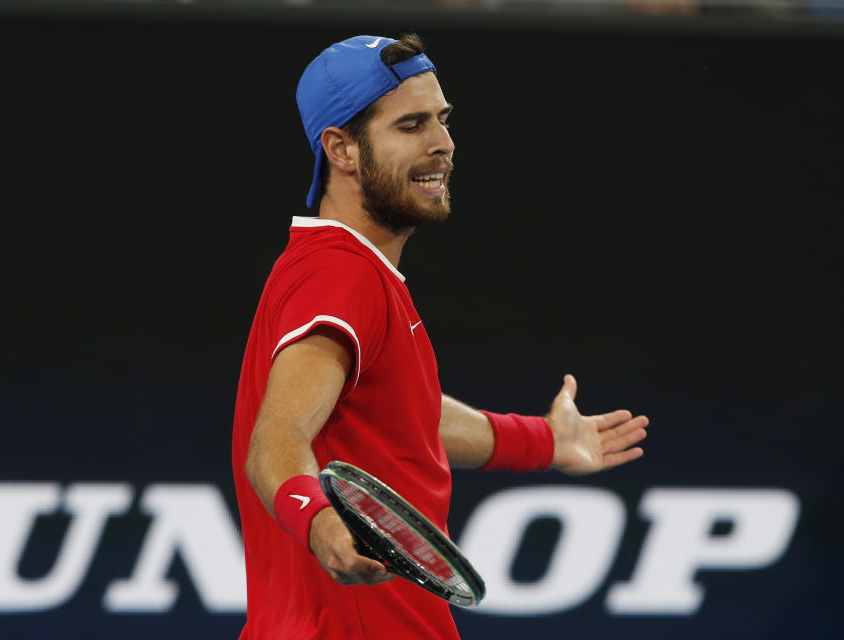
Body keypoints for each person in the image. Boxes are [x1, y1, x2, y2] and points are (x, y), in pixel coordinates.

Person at [231, 33, 649, 640]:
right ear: (342, 149)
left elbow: (407, 418)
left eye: (443, 120)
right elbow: (276, 437)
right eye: (411, 125)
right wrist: (320, 524)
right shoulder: (342, 278)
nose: (443, 144)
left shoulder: (347, 268)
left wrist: (545, 441)